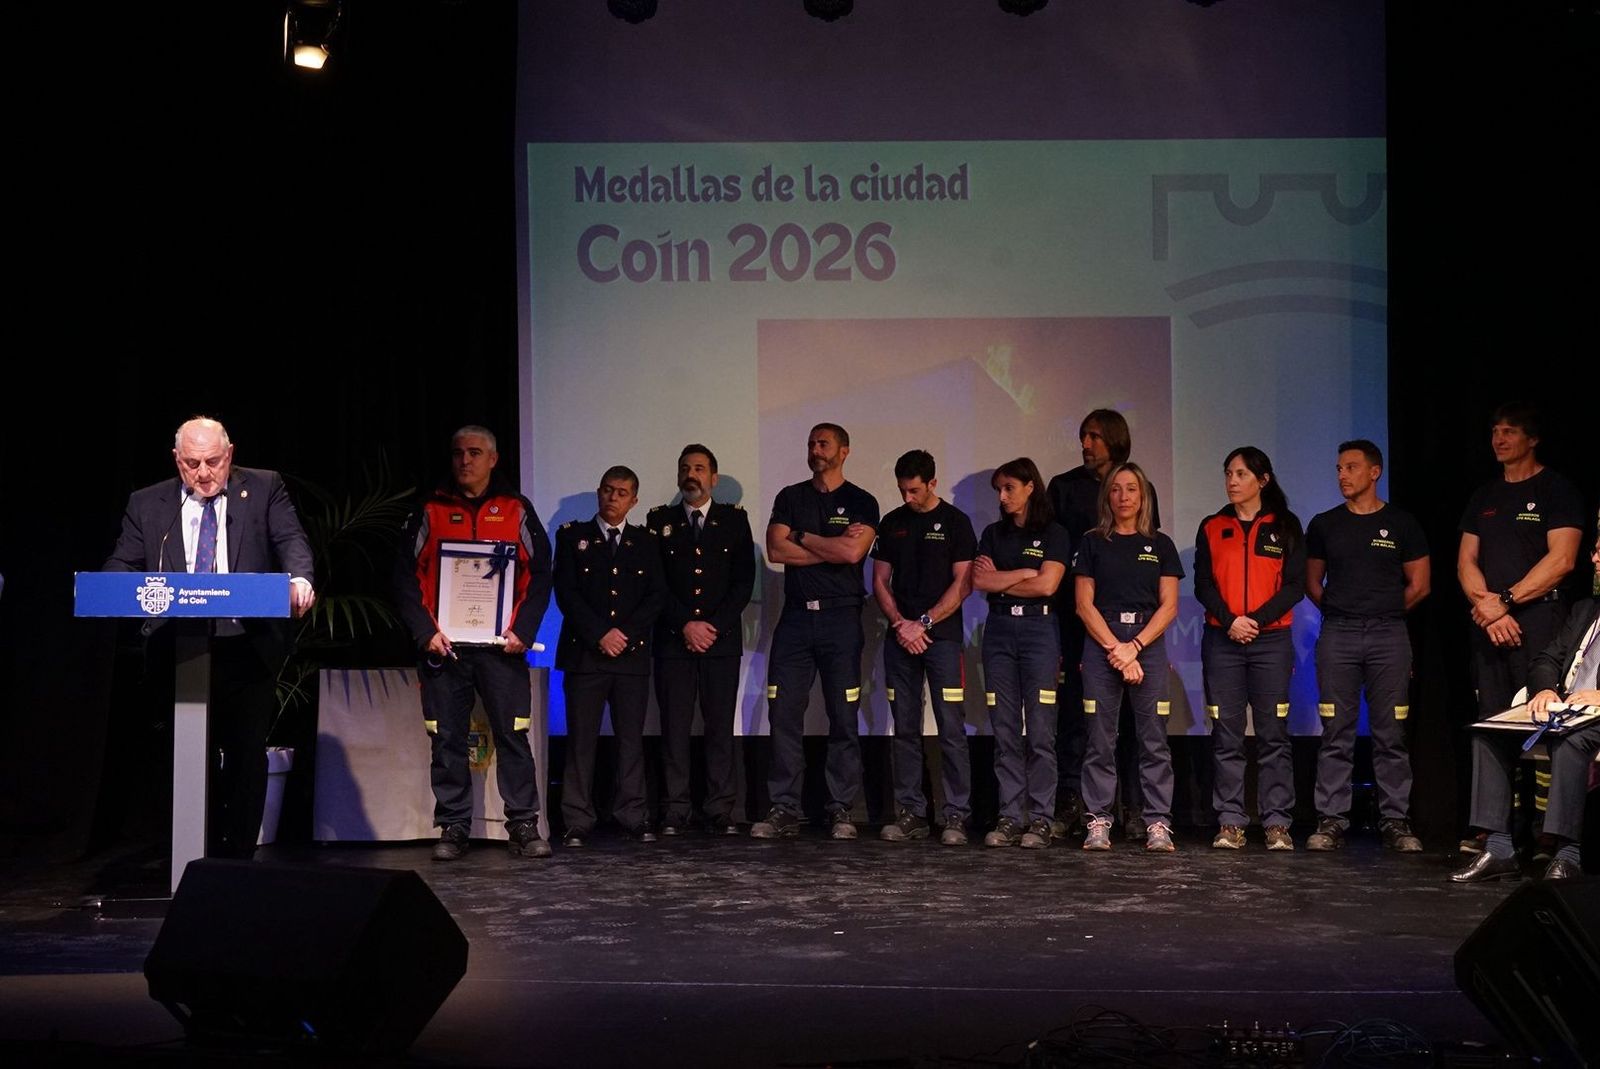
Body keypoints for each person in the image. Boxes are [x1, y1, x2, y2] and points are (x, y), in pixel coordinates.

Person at [105, 416, 317, 860]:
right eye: (192, 463)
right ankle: (187, 854)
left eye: (213, 462)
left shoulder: (263, 488)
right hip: (176, 649)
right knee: (180, 754)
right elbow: (121, 564)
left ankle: (237, 860)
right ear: (176, 461)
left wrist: (300, 579)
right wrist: (116, 588)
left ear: (230, 455)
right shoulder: (149, 504)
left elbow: (290, 539)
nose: (203, 473)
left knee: (244, 754)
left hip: (247, 647)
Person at [394, 425, 553, 861]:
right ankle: (454, 825)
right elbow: (404, 577)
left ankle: (523, 823)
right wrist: (426, 632)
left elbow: (541, 573)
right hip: (445, 649)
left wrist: (525, 629)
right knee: (447, 739)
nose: (466, 461)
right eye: (459, 453)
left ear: (493, 459)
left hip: (503, 649)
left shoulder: (516, 509)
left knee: (513, 737)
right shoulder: (430, 508)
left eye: (475, 453)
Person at [1455, 403, 1583, 852]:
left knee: (1543, 720)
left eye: (1509, 431)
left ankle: (1551, 827)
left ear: (1532, 439)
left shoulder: (1556, 489)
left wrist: (1505, 601)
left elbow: (1563, 559)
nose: (1499, 439)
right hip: (1488, 624)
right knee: (1492, 724)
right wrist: (1490, 609)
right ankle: (1495, 828)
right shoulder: (1485, 496)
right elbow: (1466, 562)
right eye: (1494, 431)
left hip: (1541, 620)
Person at [1450, 525, 1600, 883]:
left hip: (1593, 716)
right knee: (1489, 733)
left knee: (1571, 742)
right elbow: (1547, 659)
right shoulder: (1585, 610)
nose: (1593, 558)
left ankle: (1567, 854)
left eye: (1599, 550)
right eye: (1594, 550)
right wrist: (1546, 690)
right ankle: (1499, 849)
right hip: (1567, 708)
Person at [752, 423, 879, 840]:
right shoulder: (790, 497)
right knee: (783, 713)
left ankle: (841, 807)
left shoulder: (862, 501)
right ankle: (784, 807)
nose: (815, 449)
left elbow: (853, 552)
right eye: (810, 443)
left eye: (823, 443)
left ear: (844, 451)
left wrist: (803, 539)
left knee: (843, 714)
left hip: (841, 619)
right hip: (795, 620)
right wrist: (827, 544)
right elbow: (775, 550)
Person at [1303, 439, 1430, 852]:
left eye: (1351, 467)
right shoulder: (1325, 524)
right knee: (1335, 730)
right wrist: (1344, 612)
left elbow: (1420, 585)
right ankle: (1331, 819)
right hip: (1338, 633)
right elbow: (1311, 583)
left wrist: (1384, 612)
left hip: (1388, 635)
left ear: (1374, 472)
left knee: (1389, 731)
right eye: (1339, 468)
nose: (1342, 475)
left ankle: (1395, 820)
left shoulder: (1402, 524)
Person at [1045, 409, 1161, 840]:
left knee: (1135, 718)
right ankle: (1074, 803)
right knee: (1078, 715)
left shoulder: (1141, 487)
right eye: (1082, 436)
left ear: (1114, 439)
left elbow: (1149, 552)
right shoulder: (1064, 487)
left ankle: (1131, 805)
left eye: (1094, 436)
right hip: (1082, 619)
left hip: (1134, 626)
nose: (1086, 444)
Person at [1193, 447, 1306, 851]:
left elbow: (1294, 587)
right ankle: (1230, 821)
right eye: (1228, 473)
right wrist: (1230, 621)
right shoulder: (1212, 526)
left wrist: (1254, 620)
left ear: (1263, 480)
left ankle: (1277, 822)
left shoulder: (1286, 526)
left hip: (1270, 641)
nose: (1232, 481)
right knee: (1227, 734)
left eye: (1241, 473)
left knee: (1273, 734)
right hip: (1222, 640)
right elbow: (1203, 585)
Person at [1073, 462, 1185, 852]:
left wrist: (1133, 648)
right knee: (1100, 738)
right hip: (1102, 638)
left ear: (1144, 495)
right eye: (1116, 489)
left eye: (1132, 489)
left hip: (1146, 643)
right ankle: (1099, 819)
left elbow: (1169, 606)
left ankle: (1157, 822)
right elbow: (1084, 605)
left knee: (1153, 738)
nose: (1123, 497)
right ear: (1108, 496)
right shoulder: (1091, 542)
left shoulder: (1161, 544)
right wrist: (1115, 649)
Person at [645, 445, 755, 836]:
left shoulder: (734, 521)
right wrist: (685, 626)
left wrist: (711, 627)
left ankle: (720, 808)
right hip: (673, 643)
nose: (691, 475)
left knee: (719, 727)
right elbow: (654, 581)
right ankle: (675, 808)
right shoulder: (659, 520)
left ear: (714, 478)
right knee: (674, 728)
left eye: (699, 469)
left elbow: (744, 582)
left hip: (719, 643)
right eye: (685, 468)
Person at [871, 450, 977, 845]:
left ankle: (955, 816)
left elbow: (963, 583)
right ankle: (911, 813)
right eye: (902, 491)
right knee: (906, 728)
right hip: (901, 639)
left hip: (941, 639)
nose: (907, 498)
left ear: (932, 483)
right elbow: (880, 580)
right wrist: (901, 625)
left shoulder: (955, 522)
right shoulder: (892, 522)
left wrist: (925, 623)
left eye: (914, 490)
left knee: (951, 727)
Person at [553, 466, 663, 846]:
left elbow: (656, 595)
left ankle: (632, 813)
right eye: (607, 490)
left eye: (621, 493)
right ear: (599, 493)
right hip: (586, 655)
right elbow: (566, 592)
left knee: (631, 739)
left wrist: (624, 635)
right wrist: (600, 633)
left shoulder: (646, 542)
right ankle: (577, 818)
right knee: (581, 740)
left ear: (634, 500)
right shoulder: (572, 537)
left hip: (630, 657)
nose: (612, 498)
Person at [974, 457, 1069, 849]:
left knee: (1042, 732)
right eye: (999, 489)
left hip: (1039, 631)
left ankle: (1042, 818)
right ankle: (1011, 815)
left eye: (1009, 487)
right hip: (998, 632)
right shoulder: (993, 534)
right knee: (1005, 730)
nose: (1003, 495)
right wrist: (1023, 575)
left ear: (1031, 487)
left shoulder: (1055, 532)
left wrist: (1006, 580)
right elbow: (980, 580)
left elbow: (1048, 586)